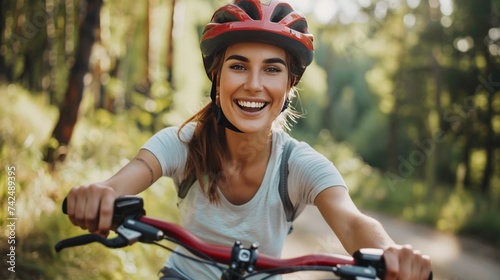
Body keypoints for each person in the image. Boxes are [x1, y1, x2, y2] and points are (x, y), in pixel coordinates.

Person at [65, 0, 432, 279]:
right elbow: (127, 178)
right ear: (217, 78)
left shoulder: (299, 166)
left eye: (272, 69)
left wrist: (389, 252)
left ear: (289, 85)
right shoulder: (182, 143)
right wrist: (101, 194)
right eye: (238, 66)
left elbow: (352, 222)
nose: (254, 84)